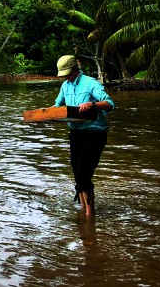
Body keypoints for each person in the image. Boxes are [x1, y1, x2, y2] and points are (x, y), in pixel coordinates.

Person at [53, 55, 115, 216]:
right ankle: (84, 208)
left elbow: (110, 104)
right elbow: (57, 106)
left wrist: (92, 104)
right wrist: (44, 115)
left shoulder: (90, 83)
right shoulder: (65, 86)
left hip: (94, 133)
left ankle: (89, 213)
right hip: (76, 133)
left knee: (83, 173)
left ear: (75, 69)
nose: (66, 76)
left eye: (67, 73)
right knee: (76, 171)